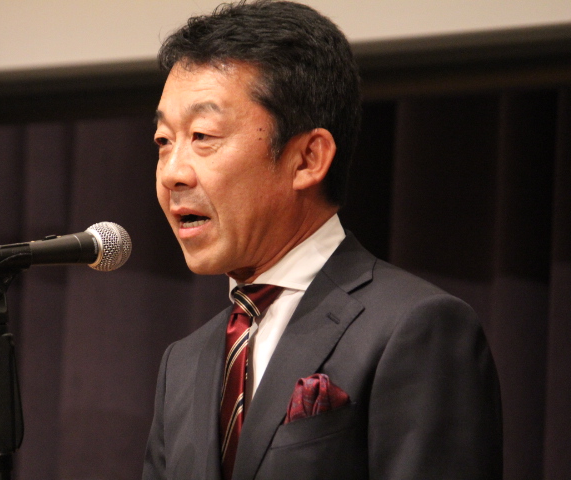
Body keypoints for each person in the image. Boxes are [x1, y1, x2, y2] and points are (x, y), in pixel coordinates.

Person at [143, 1, 503, 479]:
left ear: (308, 159)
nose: (172, 173)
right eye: (164, 141)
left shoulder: (416, 328)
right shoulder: (184, 363)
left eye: (203, 135)